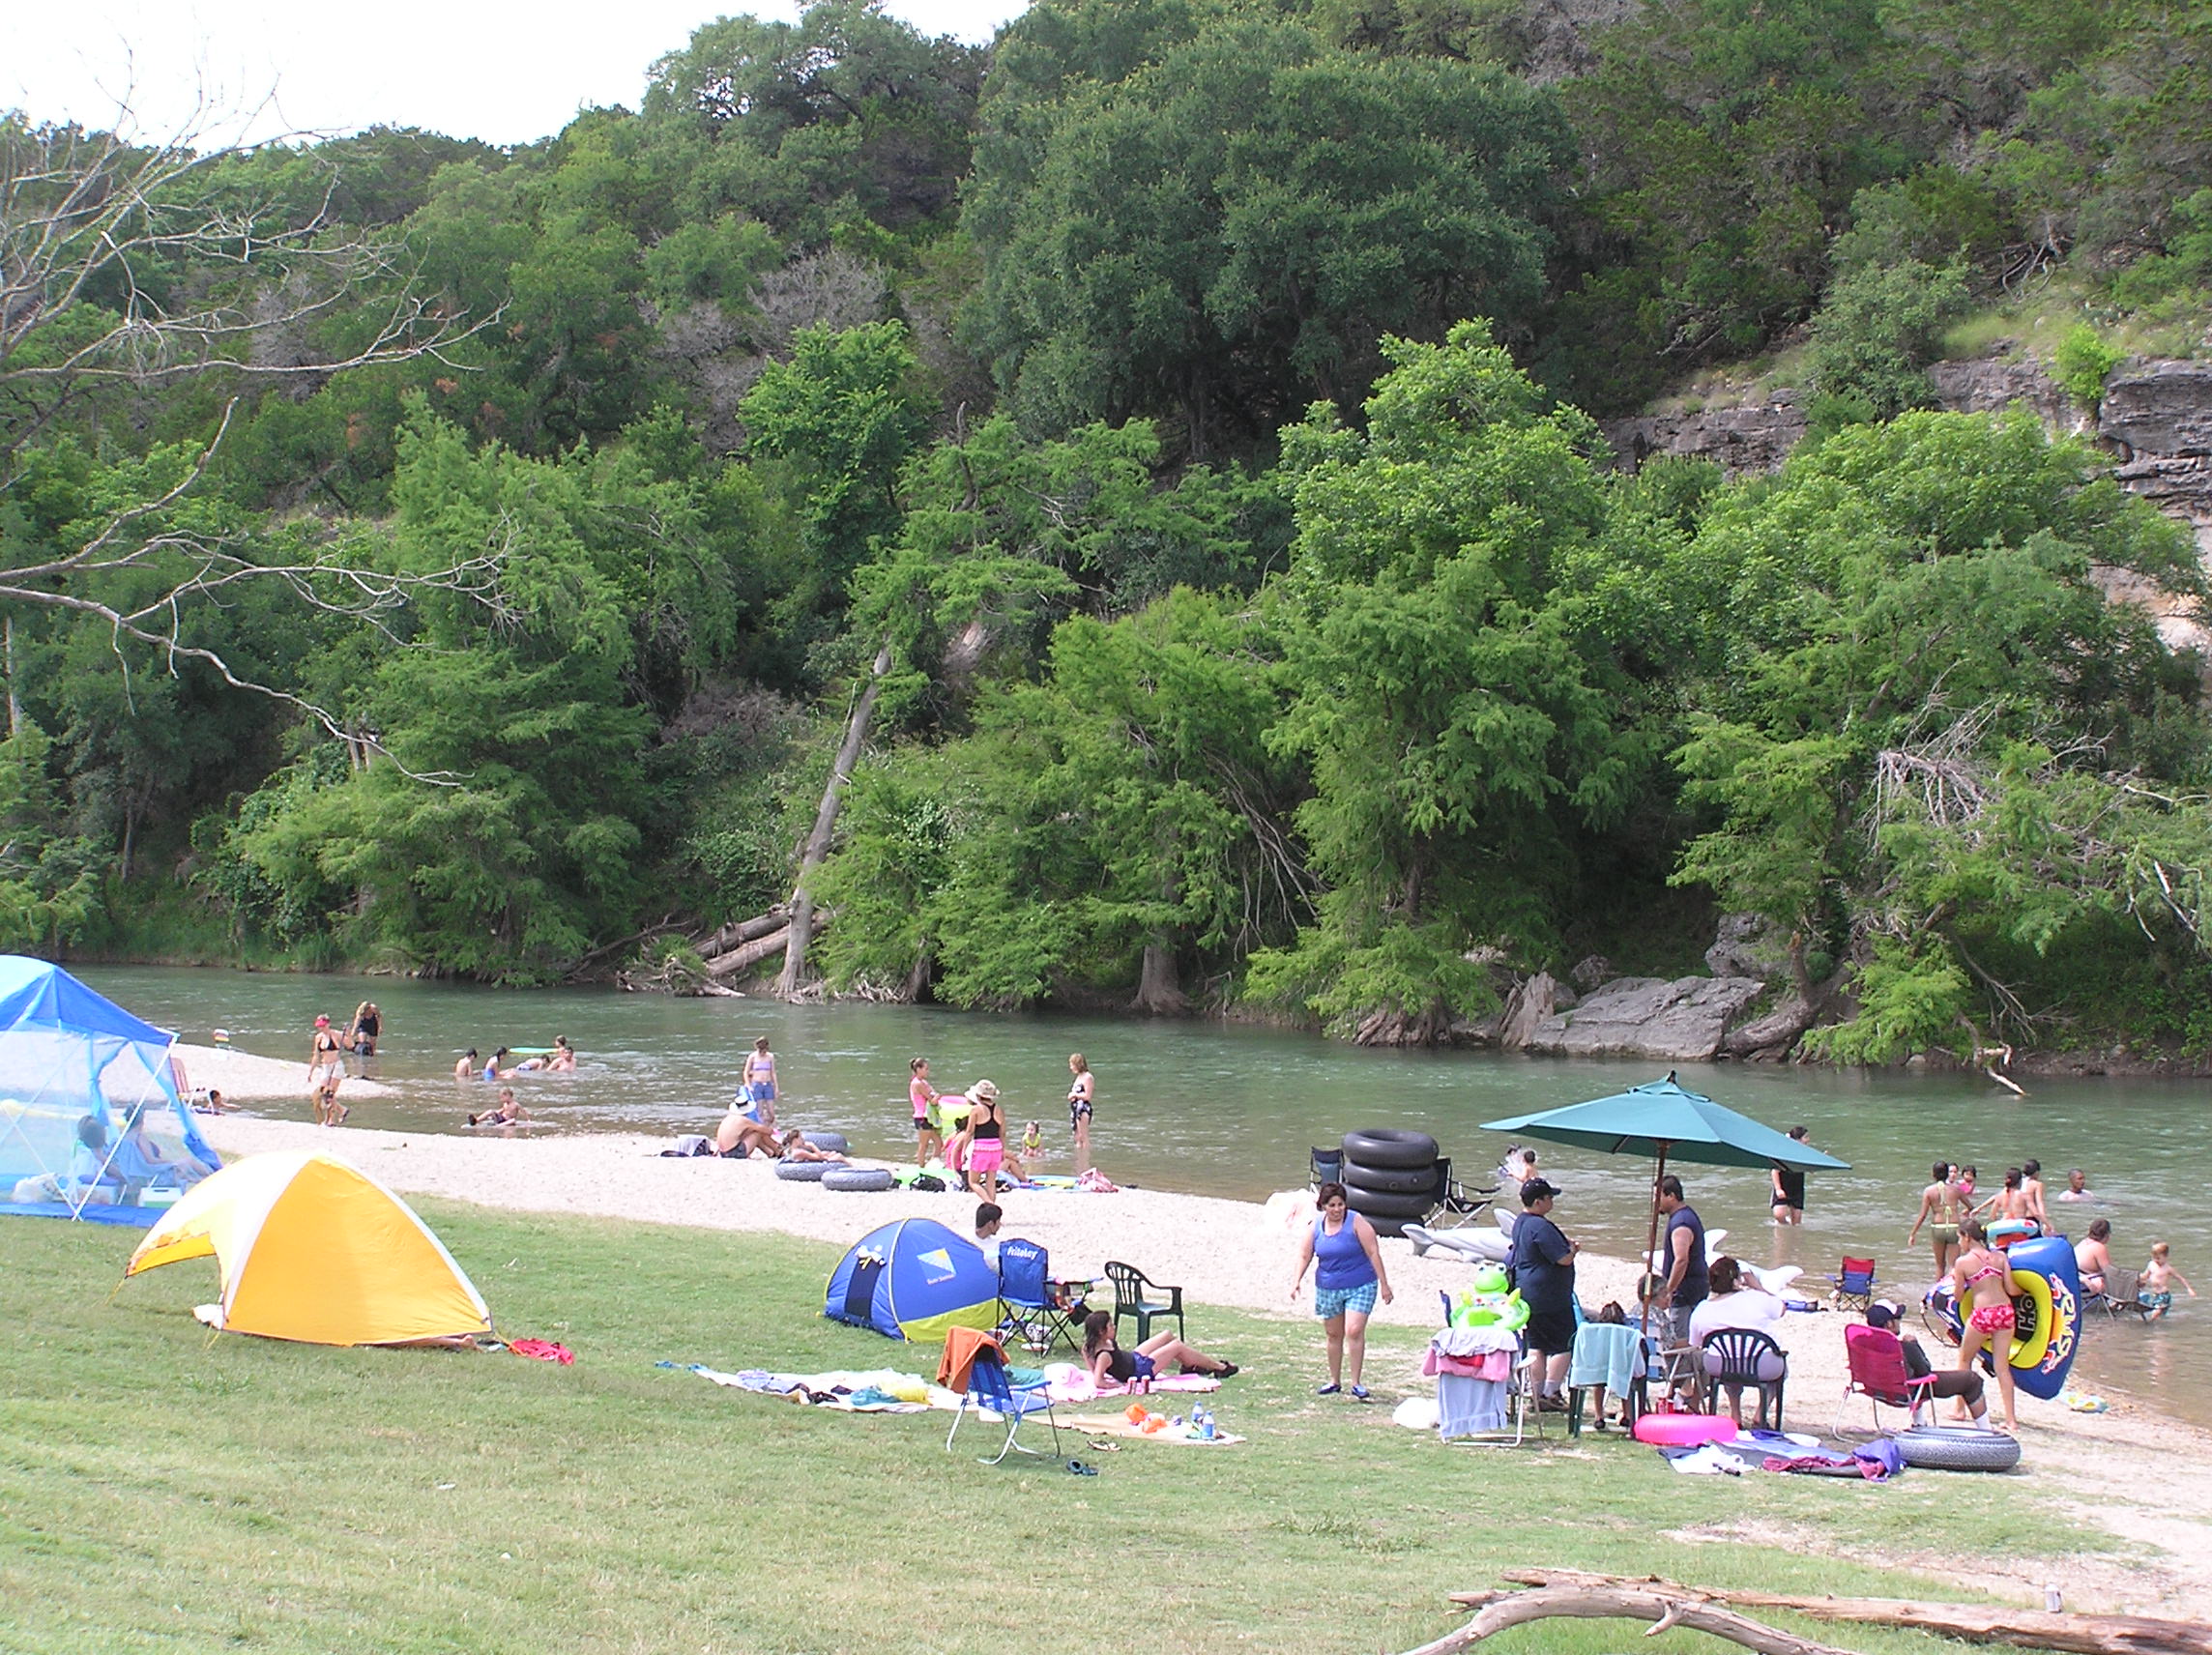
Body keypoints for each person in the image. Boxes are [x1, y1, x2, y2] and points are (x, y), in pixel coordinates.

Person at [1292, 1180, 1392, 1401]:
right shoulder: (1315, 1226)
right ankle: (1334, 1381)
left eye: (1340, 1204)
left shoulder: (1357, 1222)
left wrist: (1385, 1284)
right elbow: (1305, 1255)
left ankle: (1356, 1383)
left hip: (1361, 1284)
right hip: (1328, 1287)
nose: (1337, 1209)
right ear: (1323, 1207)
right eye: (1332, 1205)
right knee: (1333, 1334)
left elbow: (1373, 1252)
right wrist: (1296, 1281)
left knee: (1354, 1330)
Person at [1687, 1257, 1786, 1429]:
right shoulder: (1756, 1298)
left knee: (1729, 1361)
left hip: (1720, 1364)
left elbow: (1695, 1343)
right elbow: (1781, 1308)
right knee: (1781, 1370)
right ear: (1737, 1280)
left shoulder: (1702, 1308)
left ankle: (1735, 1414)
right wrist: (1758, 1288)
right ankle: (1760, 1413)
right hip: (1761, 1364)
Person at [1507, 1177, 1578, 1411]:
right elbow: (1563, 1259)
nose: (1552, 1201)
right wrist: (1573, 1250)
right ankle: (1551, 1392)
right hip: (1550, 1296)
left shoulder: (1520, 1222)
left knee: (1536, 1344)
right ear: (1538, 1201)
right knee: (1563, 1344)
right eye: (1549, 1197)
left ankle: (1536, 1393)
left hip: (1528, 1293)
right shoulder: (1540, 1226)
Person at [1865, 1301, 1989, 1426]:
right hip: (1904, 1393)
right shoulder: (1904, 1347)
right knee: (1972, 1380)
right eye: (1898, 1318)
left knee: (1913, 1376)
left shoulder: (1863, 1345)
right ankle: (1985, 1430)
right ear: (1889, 1324)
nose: (1900, 1321)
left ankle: (1919, 1422)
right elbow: (1925, 1371)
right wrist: (1913, 1345)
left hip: (1878, 1391)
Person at [1952, 1218, 2022, 1431]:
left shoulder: (1962, 1263)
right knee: (2002, 1367)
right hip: (2005, 1312)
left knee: (1965, 1360)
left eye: (1959, 1238)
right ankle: (2011, 1420)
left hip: (1983, 1314)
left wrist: (1957, 1280)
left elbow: (1957, 1297)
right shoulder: (2000, 1257)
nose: (1959, 1243)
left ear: (1967, 1237)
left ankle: (1959, 1410)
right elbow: (2012, 1289)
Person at [1080, 1310, 1235, 1390]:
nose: (1114, 1327)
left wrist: (1093, 1367)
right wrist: (1119, 1386)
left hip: (1133, 1358)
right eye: (1110, 1326)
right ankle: (1219, 1367)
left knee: (1167, 1335)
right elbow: (1098, 1381)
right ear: (1101, 1331)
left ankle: (1189, 1366)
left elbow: (1091, 1364)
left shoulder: (1093, 1345)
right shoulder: (1104, 1356)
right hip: (1139, 1371)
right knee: (1177, 1346)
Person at [1654, 1176, 1709, 1381]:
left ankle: (1682, 1388)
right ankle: (1694, 1386)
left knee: (1679, 1343)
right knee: (1690, 1340)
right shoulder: (1683, 1217)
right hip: (1694, 1286)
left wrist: (1668, 1290)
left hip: (1685, 1292)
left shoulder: (1681, 1222)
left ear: (1671, 1196)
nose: (1655, 1202)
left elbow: (1681, 1260)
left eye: (1658, 1197)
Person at [948, 1079, 1008, 1202]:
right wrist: (1002, 1150)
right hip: (996, 1146)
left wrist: (964, 1151)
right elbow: (1002, 1133)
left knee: (973, 1182)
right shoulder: (999, 1110)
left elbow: (969, 1132)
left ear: (978, 1095)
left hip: (981, 1147)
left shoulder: (976, 1110)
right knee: (990, 1182)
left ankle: (991, 1205)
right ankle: (992, 1209)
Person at [1907, 1161, 1963, 1281]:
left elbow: (1923, 1215)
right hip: (1954, 1227)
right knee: (1953, 1266)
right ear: (1947, 1174)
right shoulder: (1956, 1189)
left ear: (1933, 1174)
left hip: (1938, 1228)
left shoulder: (1928, 1191)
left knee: (1940, 1265)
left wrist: (1913, 1233)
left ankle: (1937, 1290)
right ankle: (1953, 1290)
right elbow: (1970, 1207)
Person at [306, 1014, 347, 1127]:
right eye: (320, 1026)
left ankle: (330, 1120)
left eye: (323, 1026)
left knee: (330, 1094)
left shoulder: (336, 1034)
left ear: (328, 1024)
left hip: (336, 1065)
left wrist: (347, 1033)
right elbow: (316, 1055)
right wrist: (311, 1071)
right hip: (325, 1066)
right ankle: (342, 1110)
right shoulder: (318, 1038)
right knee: (324, 1093)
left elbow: (350, 1044)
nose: (321, 1028)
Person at [2139, 1242, 2196, 1320]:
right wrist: (2138, 1279)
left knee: (2157, 1312)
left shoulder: (2167, 1268)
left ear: (2165, 1257)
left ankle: (2150, 1323)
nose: (2156, 1260)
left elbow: (2180, 1278)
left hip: (2164, 1295)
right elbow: (2145, 1276)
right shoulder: (2151, 1264)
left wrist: (2189, 1289)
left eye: (2158, 1258)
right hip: (2155, 1294)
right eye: (2153, 1257)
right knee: (2158, 1314)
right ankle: (2155, 1322)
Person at [1770, 1126, 1810, 1224]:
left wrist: (1822, 1160)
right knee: (1779, 1215)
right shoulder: (1782, 1152)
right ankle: (1784, 1227)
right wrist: (1778, 1189)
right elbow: (1775, 1171)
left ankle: (1790, 1232)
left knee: (1796, 1222)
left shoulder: (1806, 1153)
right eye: (1806, 1137)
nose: (1808, 1140)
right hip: (1783, 1186)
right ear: (1797, 1140)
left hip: (1797, 1188)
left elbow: (1810, 1169)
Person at [713, 1102, 781, 1158]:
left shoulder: (727, 1119)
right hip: (734, 1153)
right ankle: (778, 1152)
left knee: (751, 1130)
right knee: (757, 1133)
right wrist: (773, 1131)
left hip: (723, 1153)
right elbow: (765, 1130)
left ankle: (770, 1152)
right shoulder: (743, 1120)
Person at [1065, 1054, 1094, 1175]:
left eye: (1072, 1064)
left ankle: (1086, 1165)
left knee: (1083, 1137)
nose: (1070, 1067)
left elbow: (1087, 1096)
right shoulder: (1078, 1077)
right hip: (1075, 1109)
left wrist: (1075, 1095)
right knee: (1077, 1137)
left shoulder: (1088, 1077)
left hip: (1082, 1109)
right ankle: (1079, 1164)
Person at [909, 1058, 941, 1165]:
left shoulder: (922, 1082)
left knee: (938, 1143)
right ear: (918, 1069)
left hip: (928, 1117)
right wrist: (937, 1097)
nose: (928, 1071)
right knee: (924, 1145)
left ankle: (933, 1163)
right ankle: (921, 1166)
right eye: (926, 1069)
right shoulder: (918, 1084)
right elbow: (932, 1100)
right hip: (922, 1117)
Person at [743, 1037, 778, 1128]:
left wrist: (776, 1087)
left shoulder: (770, 1057)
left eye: (764, 1051)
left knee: (771, 1112)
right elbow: (746, 1072)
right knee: (760, 1111)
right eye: (761, 1051)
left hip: (768, 1085)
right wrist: (748, 1085)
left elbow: (773, 1072)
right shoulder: (752, 1057)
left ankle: (772, 1128)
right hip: (757, 1085)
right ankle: (762, 1129)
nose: (763, 1053)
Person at [2074, 1219, 2114, 1298]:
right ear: (2107, 1235)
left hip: (2077, 1280)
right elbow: (2110, 1272)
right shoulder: (2099, 1247)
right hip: (2087, 1284)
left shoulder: (2083, 1242)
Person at [974, 1201, 1004, 1270]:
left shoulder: (999, 1242)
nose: (1000, 1225)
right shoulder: (964, 1239)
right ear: (991, 1224)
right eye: (998, 1222)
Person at [2020, 1160, 2050, 1229]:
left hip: (2018, 1219)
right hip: (2031, 1219)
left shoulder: (2018, 1183)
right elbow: (2040, 1203)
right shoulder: (2037, 1184)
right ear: (2037, 1172)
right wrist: (2046, 1223)